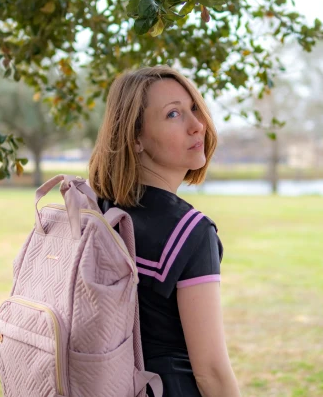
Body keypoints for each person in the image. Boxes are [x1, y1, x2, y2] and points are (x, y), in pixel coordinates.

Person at [89, 66, 241, 397]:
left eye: (194, 109)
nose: (197, 125)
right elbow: (211, 372)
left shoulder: (98, 211)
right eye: (173, 114)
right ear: (136, 138)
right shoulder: (190, 233)